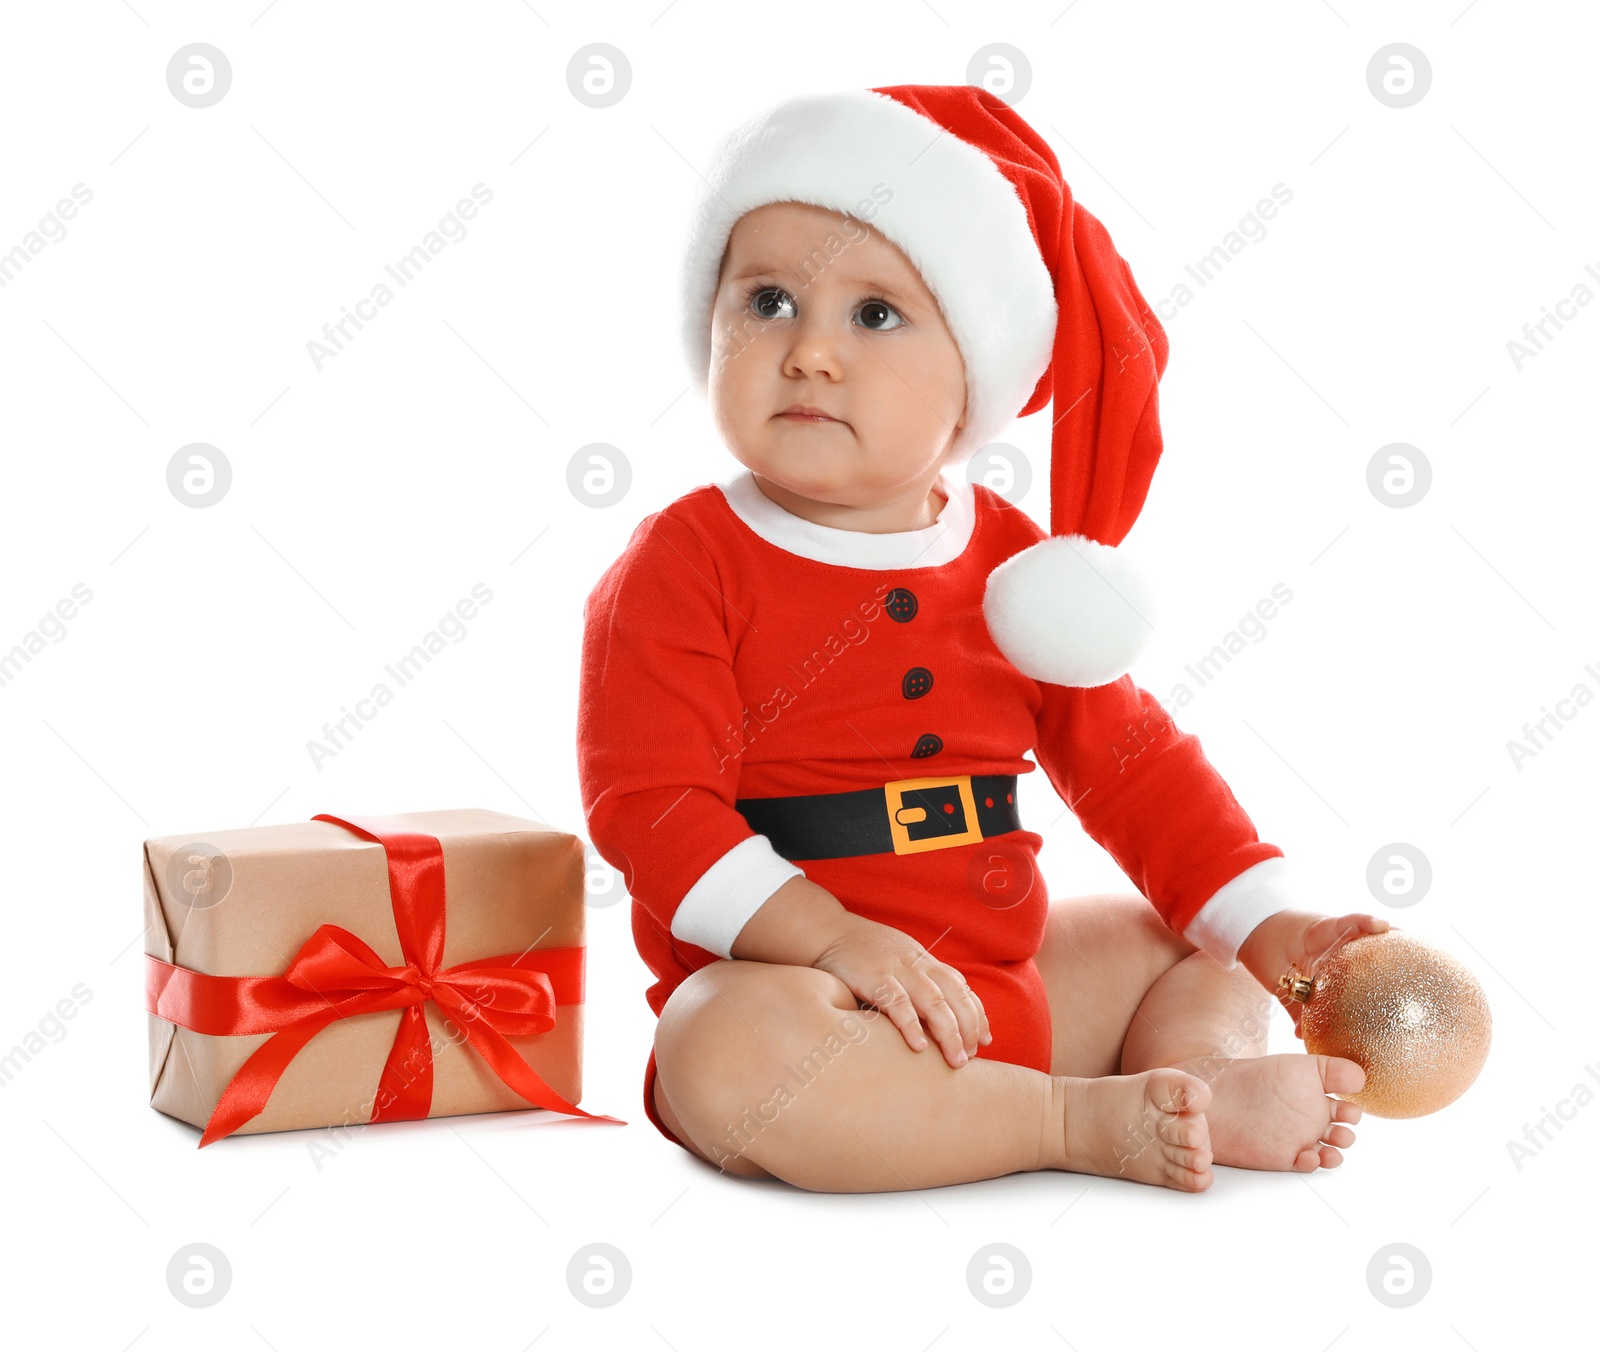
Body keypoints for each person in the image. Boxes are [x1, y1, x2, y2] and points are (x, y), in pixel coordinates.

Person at [577, 84, 1389, 1193]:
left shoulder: (1018, 567)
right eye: (767, 300)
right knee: (717, 1046)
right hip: (811, 1012)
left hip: (999, 985)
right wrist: (828, 939)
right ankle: (1068, 1119)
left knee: (1192, 942)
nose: (810, 350)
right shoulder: (683, 561)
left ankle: (1194, 1082)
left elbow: (1131, 766)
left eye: (874, 314)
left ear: (976, 378)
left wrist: (1270, 924)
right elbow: (651, 806)